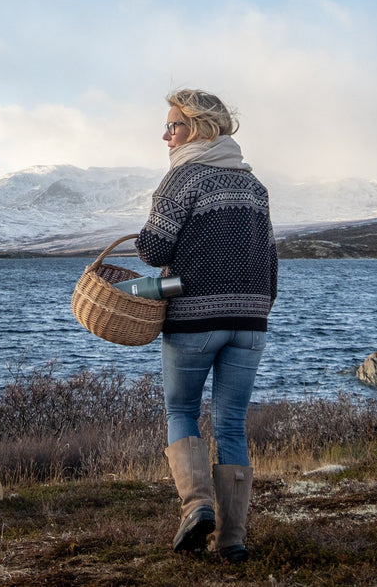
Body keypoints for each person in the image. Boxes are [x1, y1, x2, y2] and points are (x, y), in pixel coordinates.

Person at [135, 89, 278, 562]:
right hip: (252, 319)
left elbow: (154, 250)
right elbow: (270, 260)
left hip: (195, 315)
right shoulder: (254, 186)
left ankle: (197, 507)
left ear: (197, 128)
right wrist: (258, 307)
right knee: (232, 423)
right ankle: (233, 541)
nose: (166, 134)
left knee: (181, 411)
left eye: (173, 125)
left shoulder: (183, 178)